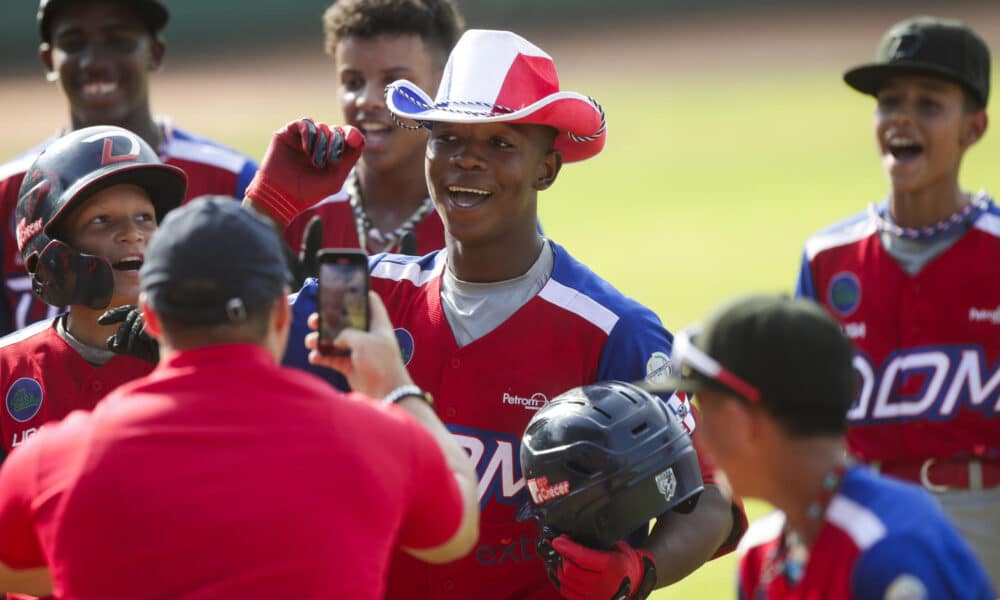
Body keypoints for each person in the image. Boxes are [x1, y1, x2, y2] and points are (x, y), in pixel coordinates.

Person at [245, 29, 746, 600]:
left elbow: (710, 497)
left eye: (501, 143)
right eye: (448, 138)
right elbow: (215, 342)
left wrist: (640, 571)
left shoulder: (614, 330)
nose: (466, 160)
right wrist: (266, 209)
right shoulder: (362, 293)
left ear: (547, 169)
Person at [0, 197, 479, 599]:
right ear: (279, 315)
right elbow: (457, 529)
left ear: (150, 316)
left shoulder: (57, 461)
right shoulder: (377, 442)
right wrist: (394, 385)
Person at [794, 15, 999, 584]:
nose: (902, 117)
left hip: (985, 514)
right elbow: (806, 424)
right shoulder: (826, 258)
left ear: (974, 128)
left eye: (930, 103)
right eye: (888, 102)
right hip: (867, 516)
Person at [650, 294, 995, 599]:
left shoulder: (891, 547)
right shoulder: (762, 551)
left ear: (742, 420)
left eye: (707, 412)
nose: (700, 438)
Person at [0, 0, 258, 336]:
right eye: (74, 43)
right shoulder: (10, 192)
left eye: (119, 40)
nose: (94, 61)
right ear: (48, 59)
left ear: (155, 52)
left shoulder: (233, 180)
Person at [0, 124, 185, 464]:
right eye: (101, 220)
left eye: (146, 217)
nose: (132, 234)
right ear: (49, 251)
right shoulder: (8, 369)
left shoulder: (195, 359)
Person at [283, 0, 465, 260]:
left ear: (444, 84)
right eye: (353, 82)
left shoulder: (478, 217)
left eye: (394, 82)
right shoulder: (303, 210)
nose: (367, 100)